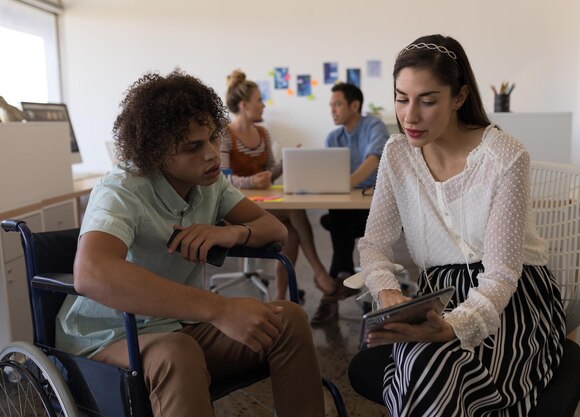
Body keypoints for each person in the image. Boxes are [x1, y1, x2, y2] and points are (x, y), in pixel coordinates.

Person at [57, 70, 325, 417]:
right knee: (176, 352)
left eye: (214, 138)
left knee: (287, 319)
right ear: (155, 155)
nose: (213, 154)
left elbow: (275, 229)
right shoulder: (121, 189)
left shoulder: (210, 184)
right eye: (193, 147)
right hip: (106, 337)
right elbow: (92, 273)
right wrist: (220, 309)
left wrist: (228, 232)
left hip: (176, 325)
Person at [355, 35, 566, 416]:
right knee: (426, 365)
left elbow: (502, 273)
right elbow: (374, 243)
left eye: (428, 100)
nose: (410, 116)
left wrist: (455, 327)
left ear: (459, 97)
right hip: (438, 293)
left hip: (511, 298)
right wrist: (387, 293)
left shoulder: (505, 155)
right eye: (402, 98)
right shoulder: (396, 153)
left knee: (438, 369)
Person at [220, 69, 335, 300]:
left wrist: (287, 162)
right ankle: (318, 270)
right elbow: (222, 178)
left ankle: (281, 298)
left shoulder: (263, 133)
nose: (263, 105)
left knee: (291, 232)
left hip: (262, 202)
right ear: (244, 105)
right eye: (259, 101)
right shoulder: (225, 134)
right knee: (294, 208)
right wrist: (251, 181)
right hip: (235, 205)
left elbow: (269, 176)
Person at [311, 82, 390, 325]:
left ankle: (334, 290)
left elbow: (375, 157)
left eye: (337, 104)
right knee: (338, 215)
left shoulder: (373, 125)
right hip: (347, 209)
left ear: (355, 105)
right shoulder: (333, 137)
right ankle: (342, 276)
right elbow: (328, 172)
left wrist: (347, 182)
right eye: (330, 105)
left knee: (336, 219)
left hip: (377, 209)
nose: (332, 110)